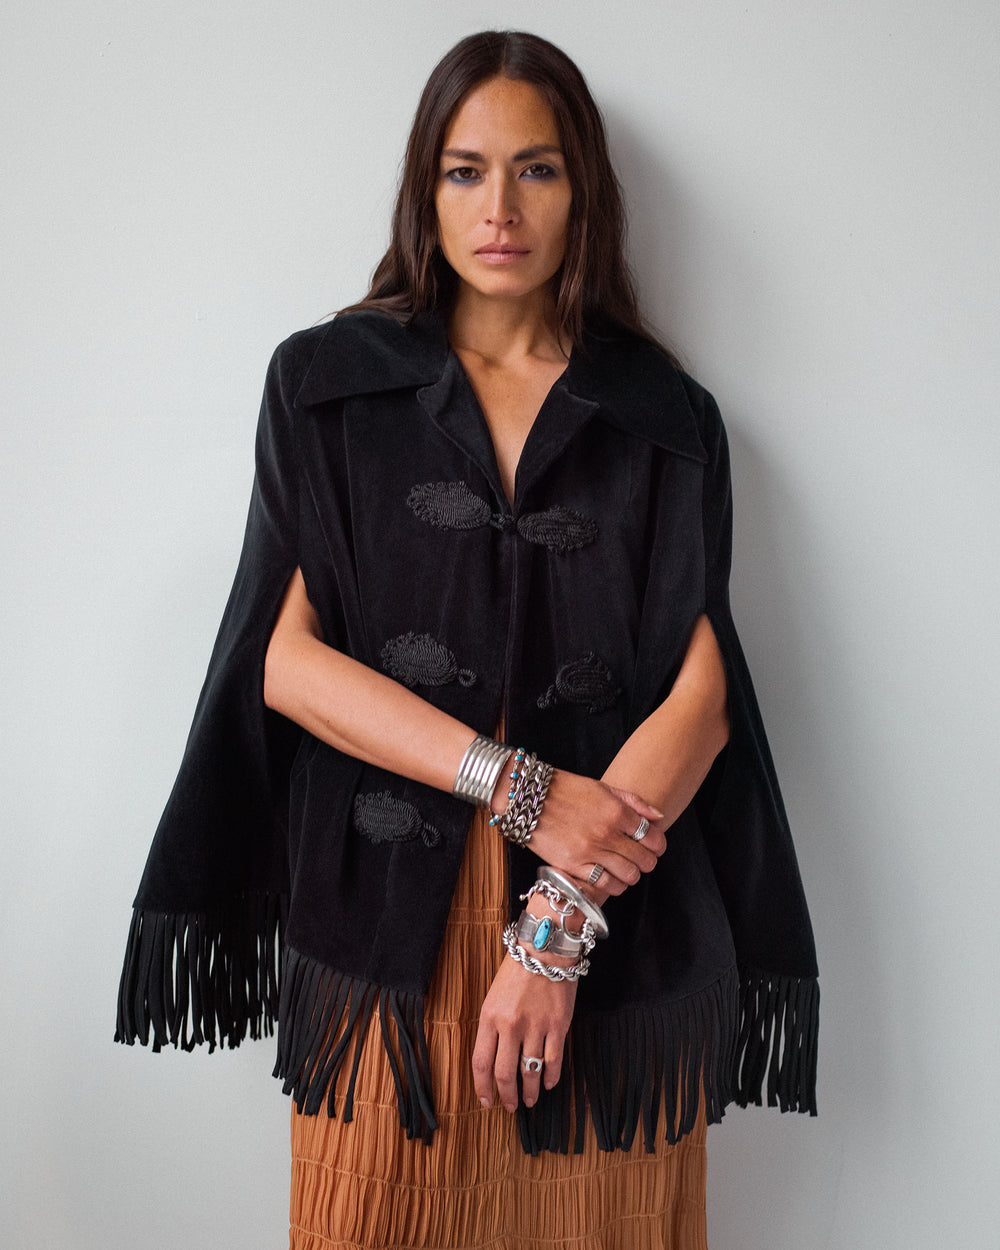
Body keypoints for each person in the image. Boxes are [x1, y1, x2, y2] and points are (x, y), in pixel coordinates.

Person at [116, 29, 819, 1250]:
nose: (500, 207)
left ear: (582, 190)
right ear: (423, 188)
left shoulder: (664, 417)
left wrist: (556, 927)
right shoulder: (326, 384)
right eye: (464, 169)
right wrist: (517, 785)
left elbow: (700, 702)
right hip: (390, 924)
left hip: (607, 925)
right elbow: (282, 662)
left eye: (536, 170)